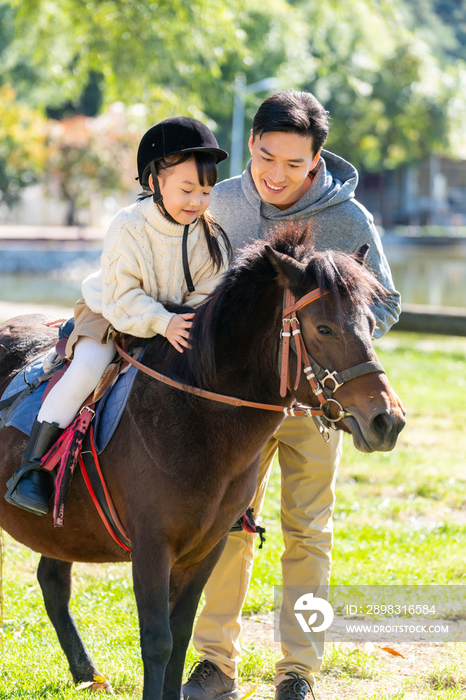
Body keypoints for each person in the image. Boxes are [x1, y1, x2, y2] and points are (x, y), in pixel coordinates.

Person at [182, 92, 401, 700]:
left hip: (315, 403)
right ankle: (212, 661)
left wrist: (333, 350)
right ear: (252, 143)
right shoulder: (220, 202)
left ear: (317, 160)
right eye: (266, 158)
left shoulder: (349, 219)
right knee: (228, 522)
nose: (276, 176)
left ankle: (299, 669)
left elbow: (385, 303)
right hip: (238, 403)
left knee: (309, 529)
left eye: (294, 165)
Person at [5, 116, 231, 516]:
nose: (197, 201)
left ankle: (222, 490)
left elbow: (211, 290)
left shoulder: (210, 235)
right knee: (87, 369)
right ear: (155, 182)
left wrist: (189, 320)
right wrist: (162, 321)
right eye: (187, 189)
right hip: (111, 312)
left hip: (175, 322)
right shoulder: (129, 226)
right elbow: (122, 296)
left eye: (206, 191)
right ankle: (33, 467)